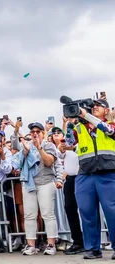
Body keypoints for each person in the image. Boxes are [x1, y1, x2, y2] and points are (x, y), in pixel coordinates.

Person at [72, 99, 115, 260]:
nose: (94, 107)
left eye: (99, 105)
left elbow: (110, 131)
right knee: (86, 211)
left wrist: (88, 117)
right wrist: (71, 121)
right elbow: (69, 142)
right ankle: (92, 248)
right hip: (85, 174)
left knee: (112, 211)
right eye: (92, 106)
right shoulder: (79, 127)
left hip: (108, 173)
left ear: (106, 110)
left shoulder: (111, 124)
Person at [12, 122, 62, 256]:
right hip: (29, 184)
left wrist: (39, 148)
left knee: (47, 214)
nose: (35, 134)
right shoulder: (26, 146)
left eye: (38, 131)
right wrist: (25, 152)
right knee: (29, 215)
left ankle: (51, 244)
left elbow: (49, 162)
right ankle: (31, 245)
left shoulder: (49, 145)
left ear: (43, 133)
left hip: (45, 182)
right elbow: (17, 163)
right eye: (32, 131)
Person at [51, 126, 84, 255]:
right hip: (70, 179)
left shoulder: (82, 140)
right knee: (70, 209)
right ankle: (78, 241)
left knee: (86, 210)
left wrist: (73, 147)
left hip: (83, 177)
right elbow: (60, 155)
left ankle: (91, 241)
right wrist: (62, 148)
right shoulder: (67, 141)